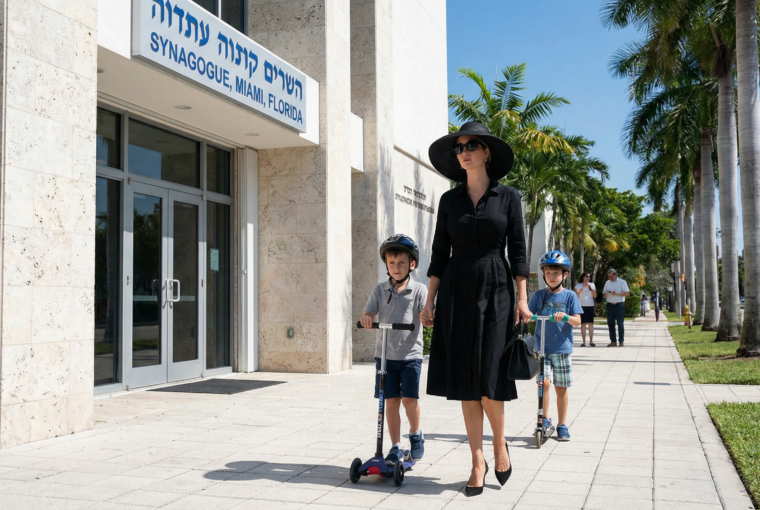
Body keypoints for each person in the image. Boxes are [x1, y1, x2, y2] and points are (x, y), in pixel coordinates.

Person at [420, 121, 531, 497]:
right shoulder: (449, 201)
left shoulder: (509, 197)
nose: (464, 152)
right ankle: (477, 460)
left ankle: (499, 445)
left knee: (490, 376)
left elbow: (518, 250)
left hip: (497, 287)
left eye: (471, 145)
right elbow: (439, 252)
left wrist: (522, 297)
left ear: (486, 152)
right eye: (459, 148)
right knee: (467, 380)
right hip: (457, 288)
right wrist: (430, 300)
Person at [360, 234, 428, 464]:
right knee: (390, 401)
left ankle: (416, 435)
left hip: (410, 355)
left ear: (412, 264)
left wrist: (427, 318)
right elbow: (369, 312)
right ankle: (396, 446)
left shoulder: (419, 290)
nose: (396, 268)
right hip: (385, 356)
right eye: (391, 263)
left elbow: (426, 314)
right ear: (386, 265)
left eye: (401, 263)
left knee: (409, 399)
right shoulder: (380, 290)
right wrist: (367, 317)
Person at [528, 251, 583, 442]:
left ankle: (562, 425)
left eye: (556, 273)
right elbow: (529, 314)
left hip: (562, 349)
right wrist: (526, 315)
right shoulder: (539, 295)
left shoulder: (569, 296)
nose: (552, 277)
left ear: (565, 275)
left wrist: (566, 317)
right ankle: (544, 420)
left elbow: (577, 321)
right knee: (543, 383)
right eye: (548, 273)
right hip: (542, 349)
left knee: (561, 387)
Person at [603, 269, 630, 346]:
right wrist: (605, 294)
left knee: (620, 324)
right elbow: (603, 294)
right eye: (608, 276)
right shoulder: (607, 283)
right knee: (610, 323)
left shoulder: (622, 282)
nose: (610, 278)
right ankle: (613, 341)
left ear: (615, 275)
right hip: (610, 305)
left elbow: (627, 293)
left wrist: (617, 293)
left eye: (611, 276)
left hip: (619, 305)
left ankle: (621, 341)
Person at [574, 272, 597, 346]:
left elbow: (595, 296)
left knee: (590, 324)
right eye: (587, 276)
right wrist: (583, 288)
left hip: (590, 305)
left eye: (589, 277)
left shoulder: (592, 285)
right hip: (581, 306)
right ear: (583, 277)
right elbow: (577, 296)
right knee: (583, 324)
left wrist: (591, 289)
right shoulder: (578, 285)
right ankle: (584, 342)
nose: (588, 278)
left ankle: (591, 341)